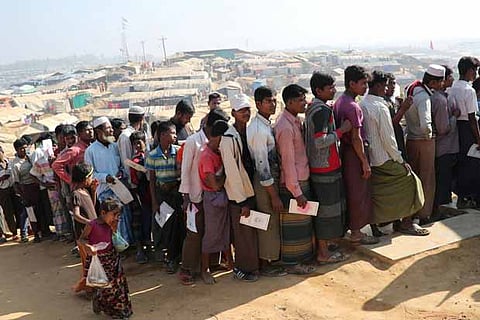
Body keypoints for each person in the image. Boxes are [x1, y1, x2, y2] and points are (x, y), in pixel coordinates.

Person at [360, 70, 427, 235]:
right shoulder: (380, 107)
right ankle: (407, 222)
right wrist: (400, 160)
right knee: (411, 182)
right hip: (385, 158)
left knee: (380, 192)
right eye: (385, 86)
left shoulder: (363, 103)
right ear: (377, 86)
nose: (387, 88)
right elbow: (388, 139)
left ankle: (381, 223)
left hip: (372, 158)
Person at [178, 108, 230, 285]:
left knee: (211, 230)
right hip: (195, 194)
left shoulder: (217, 143)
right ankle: (188, 268)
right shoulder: (193, 141)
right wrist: (185, 198)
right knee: (195, 233)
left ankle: (210, 265)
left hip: (209, 193)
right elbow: (185, 171)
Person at [306, 72, 350, 263]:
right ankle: (323, 253)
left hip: (319, 166)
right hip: (324, 167)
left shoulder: (315, 107)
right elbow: (320, 142)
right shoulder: (322, 111)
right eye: (330, 88)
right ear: (318, 90)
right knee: (326, 211)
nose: (334, 90)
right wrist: (342, 131)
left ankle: (326, 246)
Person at [333, 65, 378, 245]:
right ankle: (357, 233)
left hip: (345, 152)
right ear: (352, 84)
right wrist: (364, 162)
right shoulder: (353, 107)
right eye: (363, 83)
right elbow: (356, 137)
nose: (365, 87)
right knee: (358, 193)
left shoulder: (340, 101)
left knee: (351, 191)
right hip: (354, 152)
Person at [274, 85, 316, 274]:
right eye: (300, 100)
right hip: (294, 184)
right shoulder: (285, 126)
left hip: (301, 179)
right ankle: (293, 263)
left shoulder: (295, 121)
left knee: (303, 225)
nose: (304, 103)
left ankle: (302, 260)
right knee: (294, 229)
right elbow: (288, 163)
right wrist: (297, 192)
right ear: (289, 102)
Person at [219, 94, 259, 281]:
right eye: (242, 110)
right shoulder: (228, 138)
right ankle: (243, 269)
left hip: (250, 188)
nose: (246, 113)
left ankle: (252, 266)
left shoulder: (248, 131)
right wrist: (242, 199)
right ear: (234, 113)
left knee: (250, 231)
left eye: (247, 109)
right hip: (239, 193)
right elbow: (232, 171)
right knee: (243, 234)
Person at [247, 86, 286, 276]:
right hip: (265, 183)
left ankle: (270, 259)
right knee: (267, 223)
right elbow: (262, 168)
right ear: (258, 104)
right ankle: (266, 264)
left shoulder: (264, 125)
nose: (273, 104)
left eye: (274, 100)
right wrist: (273, 195)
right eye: (269, 101)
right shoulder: (258, 130)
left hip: (271, 180)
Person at [404, 64, 445, 222]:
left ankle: (412, 213)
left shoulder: (412, 89)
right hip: (424, 141)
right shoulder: (424, 97)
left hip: (412, 139)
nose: (441, 85)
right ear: (433, 83)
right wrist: (430, 135)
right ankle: (424, 214)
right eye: (440, 82)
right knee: (427, 179)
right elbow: (425, 123)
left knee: (414, 178)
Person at [79, 198, 133, 319]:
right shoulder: (92, 225)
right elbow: (81, 239)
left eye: (118, 215)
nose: (116, 218)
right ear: (103, 213)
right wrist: (88, 247)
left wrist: (114, 228)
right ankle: (100, 302)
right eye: (114, 214)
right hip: (98, 259)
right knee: (104, 287)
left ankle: (119, 310)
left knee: (117, 286)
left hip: (112, 258)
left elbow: (115, 239)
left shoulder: (112, 224)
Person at [85, 116, 134, 245]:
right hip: (105, 191)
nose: (111, 131)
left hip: (120, 188)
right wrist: (105, 177)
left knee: (125, 218)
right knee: (113, 220)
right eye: (108, 128)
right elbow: (90, 174)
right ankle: (118, 246)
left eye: (111, 128)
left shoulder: (114, 146)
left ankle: (127, 244)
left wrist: (121, 173)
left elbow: (122, 165)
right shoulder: (91, 151)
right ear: (99, 131)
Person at [146, 120, 184, 274]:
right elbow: (152, 180)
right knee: (166, 226)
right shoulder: (153, 155)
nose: (175, 136)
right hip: (163, 195)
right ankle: (170, 257)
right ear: (162, 135)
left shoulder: (178, 151)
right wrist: (155, 202)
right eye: (172, 133)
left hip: (176, 193)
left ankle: (177, 256)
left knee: (178, 226)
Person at [198, 119, 232, 284]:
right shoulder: (206, 156)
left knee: (225, 231)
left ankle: (229, 262)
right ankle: (205, 270)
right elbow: (214, 184)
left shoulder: (218, 153)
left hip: (221, 196)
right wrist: (227, 175)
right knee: (211, 234)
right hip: (212, 197)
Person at [448, 56, 480, 209]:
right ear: (468, 71)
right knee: (472, 164)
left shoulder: (452, 88)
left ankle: (462, 196)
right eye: (475, 70)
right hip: (468, 128)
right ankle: (470, 197)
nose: (475, 74)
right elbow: (472, 117)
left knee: (461, 163)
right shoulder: (469, 90)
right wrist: (478, 138)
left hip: (455, 128)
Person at [431, 65, 460, 219]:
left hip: (446, 147)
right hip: (444, 147)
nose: (452, 79)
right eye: (449, 77)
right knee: (443, 179)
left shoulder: (443, 97)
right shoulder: (440, 100)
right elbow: (443, 128)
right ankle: (442, 209)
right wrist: (455, 116)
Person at [71, 163, 98, 293]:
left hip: (91, 233)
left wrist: (94, 192)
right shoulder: (76, 194)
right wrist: (89, 222)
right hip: (84, 236)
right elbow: (76, 215)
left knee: (93, 261)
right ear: (85, 178)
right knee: (87, 262)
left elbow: (91, 207)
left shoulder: (85, 192)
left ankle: (92, 286)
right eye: (91, 176)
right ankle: (88, 289)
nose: (92, 178)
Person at [11, 138, 44, 242]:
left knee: (40, 211)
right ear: (17, 150)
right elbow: (16, 183)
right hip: (26, 189)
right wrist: (22, 196)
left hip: (36, 187)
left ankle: (44, 231)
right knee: (30, 213)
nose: (24, 151)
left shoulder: (30, 158)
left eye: (25, 148)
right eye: (21, 149)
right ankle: (35, 235)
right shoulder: (15, 164)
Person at [128, 131, 152, 264]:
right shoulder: (134, 160)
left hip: (149, 193)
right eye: (134, 143)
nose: (137, 145)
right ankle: (141, 250)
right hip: (140, 194)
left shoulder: (149, 156)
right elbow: (135, 179)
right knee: (139, 220)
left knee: (149, 220)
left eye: (139, 142)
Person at [117, 105, 146, 185]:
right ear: (142, 119)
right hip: (134, 181)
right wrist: (132, 181)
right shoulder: (125, 136)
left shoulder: (142, 133)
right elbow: (126, 161)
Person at [0, 146, 19, 242]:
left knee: (18, 208)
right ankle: (14, 232)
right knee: (8, 212)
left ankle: (23, 229)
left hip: (13, 188)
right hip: (2, 191)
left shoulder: (9, 162)